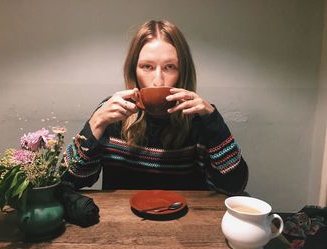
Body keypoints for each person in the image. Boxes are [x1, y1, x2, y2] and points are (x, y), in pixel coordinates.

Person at [61, 20, 248, 195]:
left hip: (184, 221)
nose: (158, 81)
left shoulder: (198, 115)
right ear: (133, 70)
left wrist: (212, 121)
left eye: (169, 67)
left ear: (182, 72)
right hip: (122, 221)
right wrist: (96, 123)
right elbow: (69, 180)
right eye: (147, 67)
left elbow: (234, 187)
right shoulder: (114, 112)